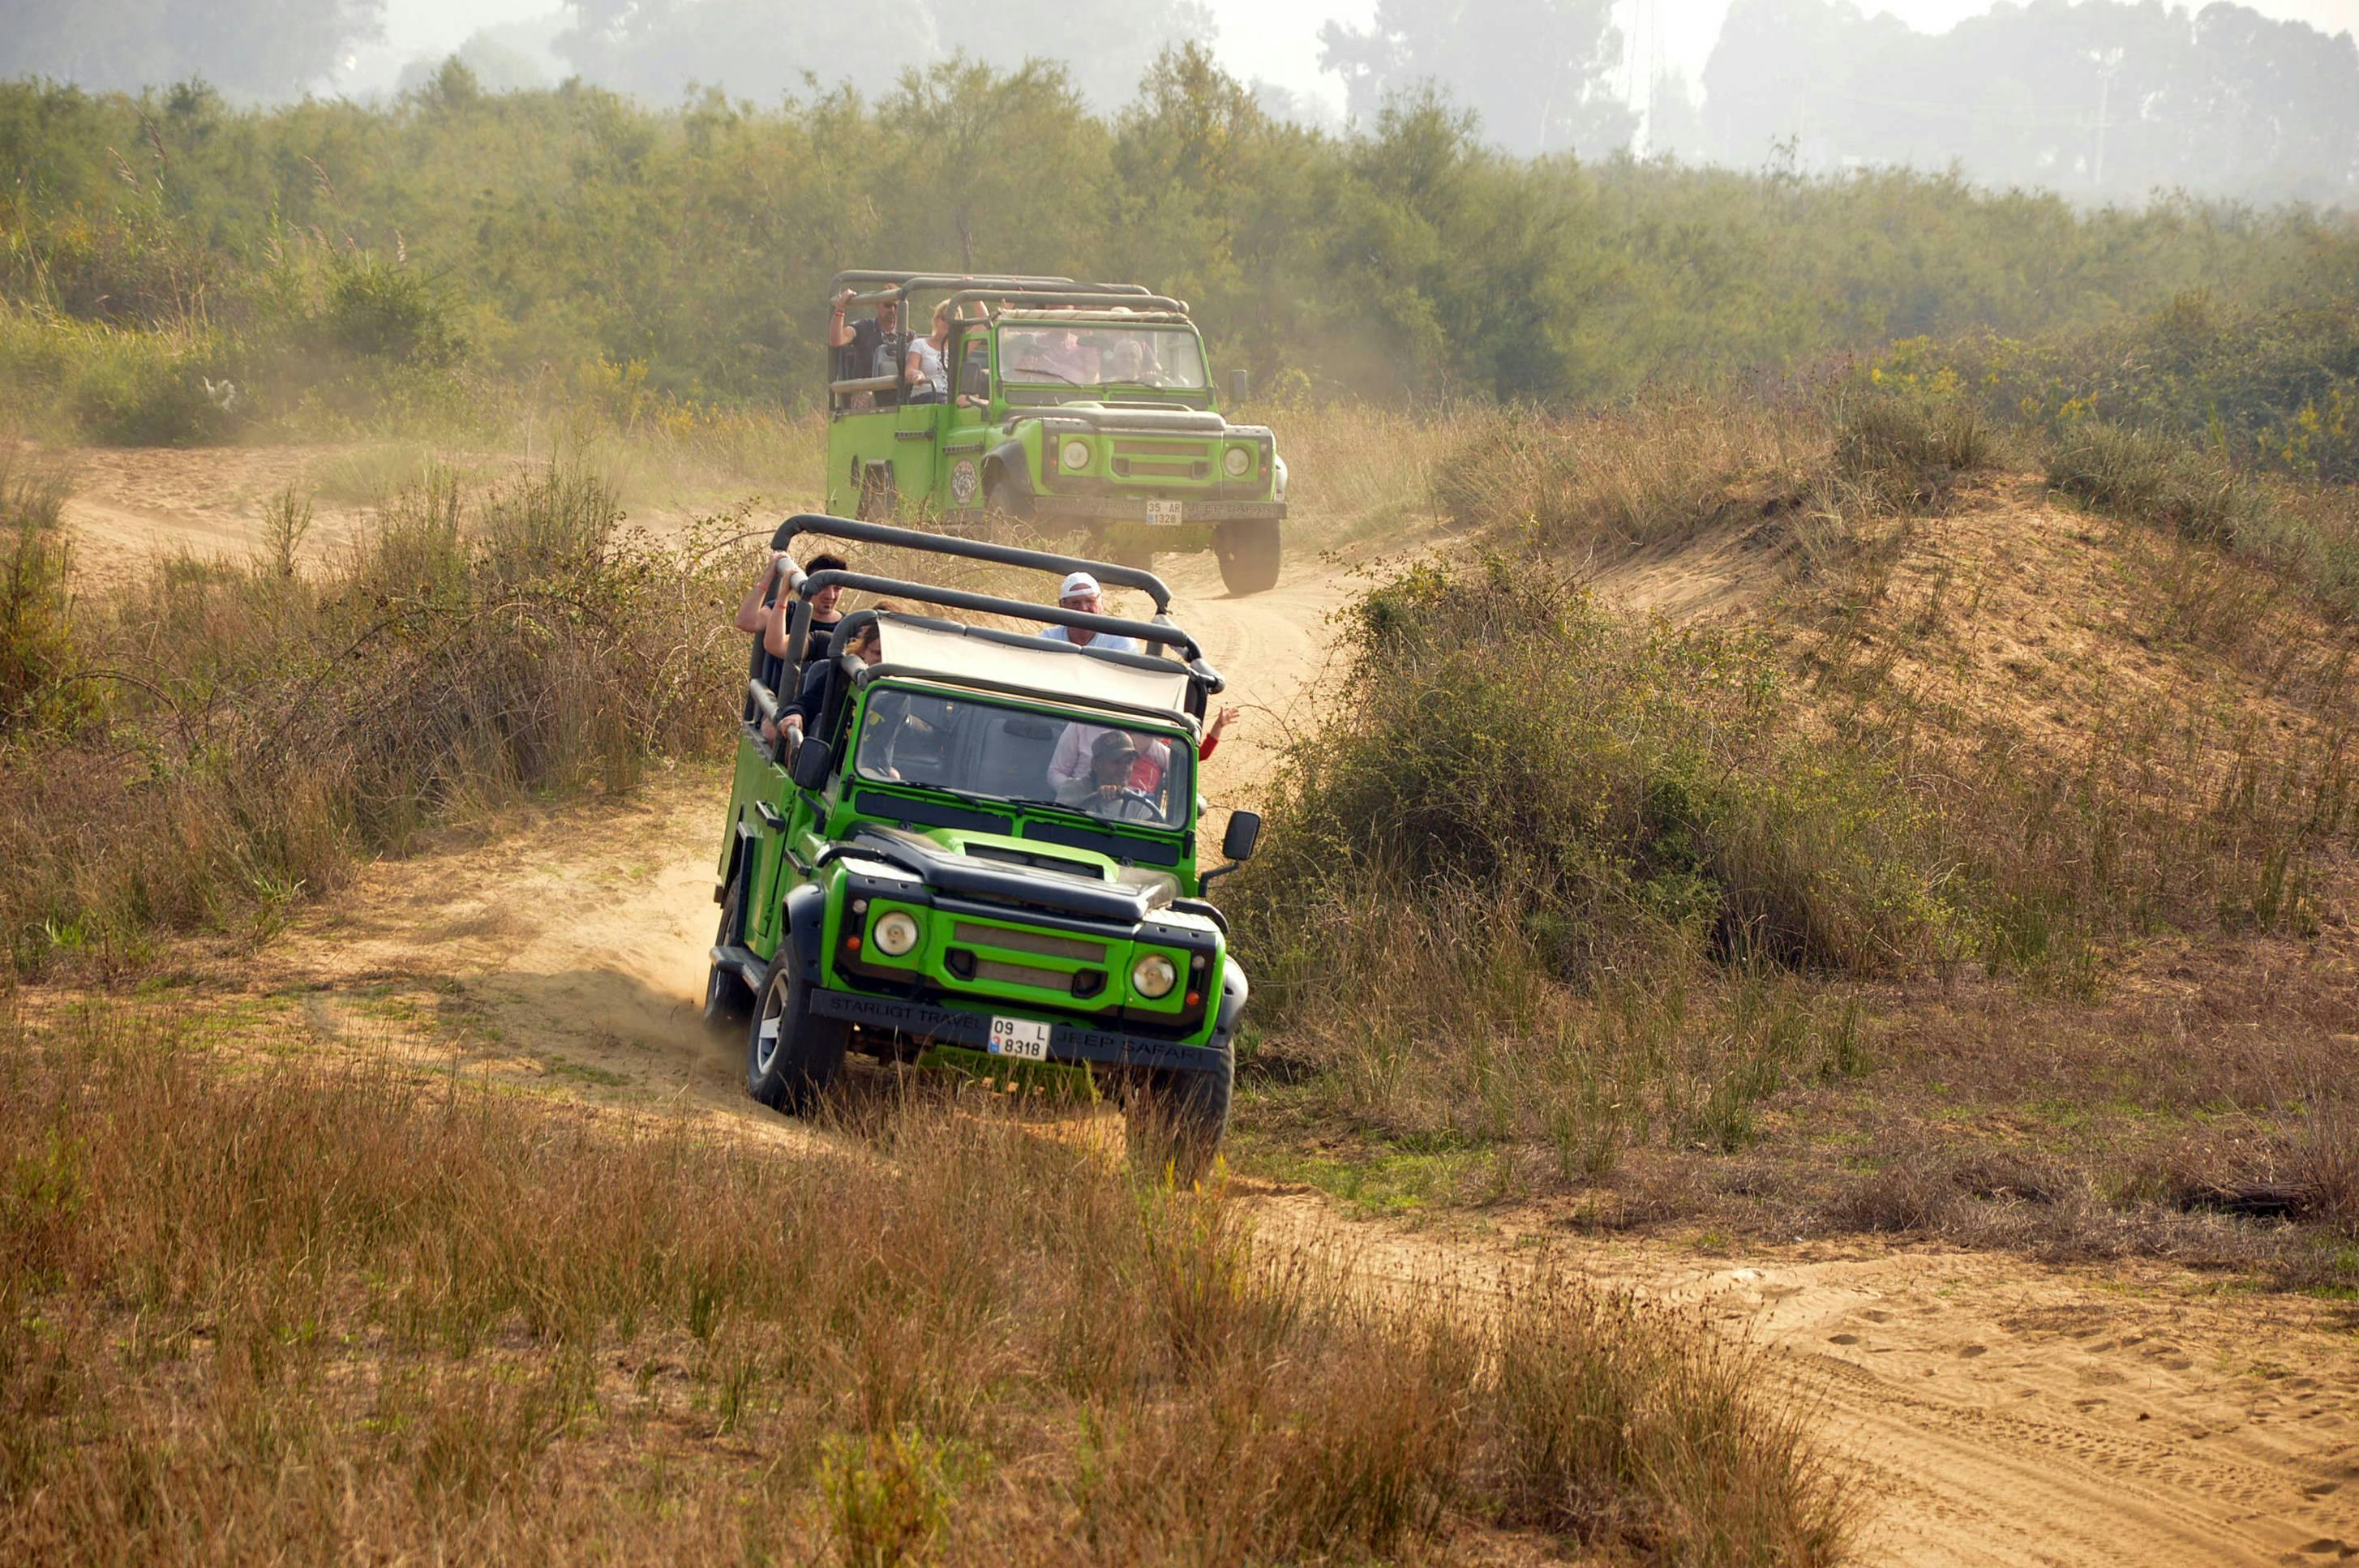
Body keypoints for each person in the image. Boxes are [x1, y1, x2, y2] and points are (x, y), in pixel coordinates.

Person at [780, 602, 899, 752]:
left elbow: (883, 753)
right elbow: (805, 703)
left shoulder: (901, 694)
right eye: (877, 653)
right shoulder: (842, 676)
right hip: (828, 758)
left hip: (864, 769)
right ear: (863, 650)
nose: (883, 663)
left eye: (890, 656)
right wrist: (795, 714)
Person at [1055, 730, 1164, 822]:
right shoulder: (1072, 789)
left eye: (1129, 762)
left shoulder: (1139, 803)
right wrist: (1097, 796)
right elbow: (1058, 823)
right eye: (1116, 762)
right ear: (1096, 764)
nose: (1125, 768)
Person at [828, 289, 906, 405]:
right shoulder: (863, 328)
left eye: (897, 306)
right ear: (878, 305)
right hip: (867, 391)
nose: (893, 310)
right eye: (888, 305)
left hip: (899, 392)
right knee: (868, 399)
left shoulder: (907, 335)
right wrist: (840, 307)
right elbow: (837, 340)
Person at [1038, 572, 1141, 653]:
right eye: (1075, 603)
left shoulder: (1120, 639)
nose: (1083, 608)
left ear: (1101, 602)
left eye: (1090, 601)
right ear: (1062, 605)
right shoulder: (1049, 638)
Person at [905, 305, 950, 405]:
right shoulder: (919, 344)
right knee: (946, 404)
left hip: (951, 398)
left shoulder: (959, 348)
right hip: (926, 397)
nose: (948, 323)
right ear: (936, 320)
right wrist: (917, 375)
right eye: (944, 318)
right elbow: (910, 370)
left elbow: (983, 327)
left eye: (952, 320)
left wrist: (973, 295)